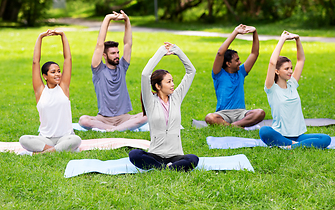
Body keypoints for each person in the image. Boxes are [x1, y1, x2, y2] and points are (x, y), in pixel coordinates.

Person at [129, 42, 199, 171]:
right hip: (155, 155)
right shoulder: (150, 101)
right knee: (134, 154)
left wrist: (177, 51)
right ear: (157, 86)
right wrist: (161, 52)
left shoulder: (176, 97)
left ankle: (164, 168)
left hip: (176, 155)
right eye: (168, 81)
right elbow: (145, 75)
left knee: (193, 159)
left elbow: (191, 71)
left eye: (172, 81)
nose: (173, 84)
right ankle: (167, 168)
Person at [259, 31, 331, 149]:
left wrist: (298, 40)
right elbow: (272, 63)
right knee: (264, 131)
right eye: (286, 69)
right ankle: (294, 145)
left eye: (291, 68)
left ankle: (292, 146)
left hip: (298, 136)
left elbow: (301, 60)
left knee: (325, 139)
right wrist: (282, 39)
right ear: (277, 71)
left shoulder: (292, 84)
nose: (290, 71)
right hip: (279, 134)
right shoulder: (271, 88)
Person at [78, 11, 147, 131]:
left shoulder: (122, 67)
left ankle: (114, 128)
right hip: (104, 119)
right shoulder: (98, 70)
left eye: (117, 53)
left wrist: (127, 21)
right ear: (104, 55)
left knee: (147, 115)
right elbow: (100, 44)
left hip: (124, 117)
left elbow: (128, 44)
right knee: (83, 120)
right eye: (113, 53)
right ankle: (116, 128)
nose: (117, 55)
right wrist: (108, 18)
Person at [19, 30, 81, 154]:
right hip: (46, 138)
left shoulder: (63, 87)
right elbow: (35, 62)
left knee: (76, 139)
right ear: (45, 76)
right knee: (23, 139)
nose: (58, 74)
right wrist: (40, 37)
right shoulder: (40, 91)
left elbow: (67, 59)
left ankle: (43, 153)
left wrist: (62, 35)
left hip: (65, 136)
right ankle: (55, 150)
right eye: (53, 72)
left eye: (58, 71)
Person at [205, 24, 265, 128]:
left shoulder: (241, 72)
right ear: (228, 63)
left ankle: (231, 126)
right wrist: (235, 32)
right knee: (210, 118)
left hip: (241, 113)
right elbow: (220, 53)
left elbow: (254, 53)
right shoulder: (218, 74)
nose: (240, 62)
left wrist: (254, 32)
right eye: (237, 60)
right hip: (223, 114)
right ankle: (237, 126)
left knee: (260, 113)